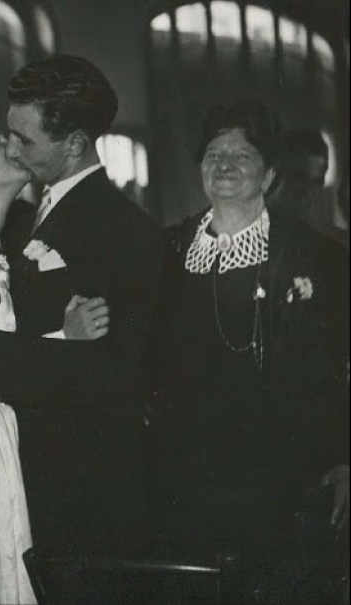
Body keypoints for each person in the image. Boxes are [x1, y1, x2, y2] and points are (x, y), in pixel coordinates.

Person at [0, 54, 163, 561]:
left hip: (78, 489)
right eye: (6, 135)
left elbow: (113, 370)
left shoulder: (126, 233)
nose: (13, 148)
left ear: (76, 144)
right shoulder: (2, 224)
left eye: (24, 139)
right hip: (6, 475)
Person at [146, 99, 349, 603]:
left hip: (276, 478)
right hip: (183, 473)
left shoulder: (315, 257)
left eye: (242, 154)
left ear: (270, 173)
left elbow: (334, 369)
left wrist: (341, 457)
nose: (225, 165)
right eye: (213, 154)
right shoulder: (168, 252)